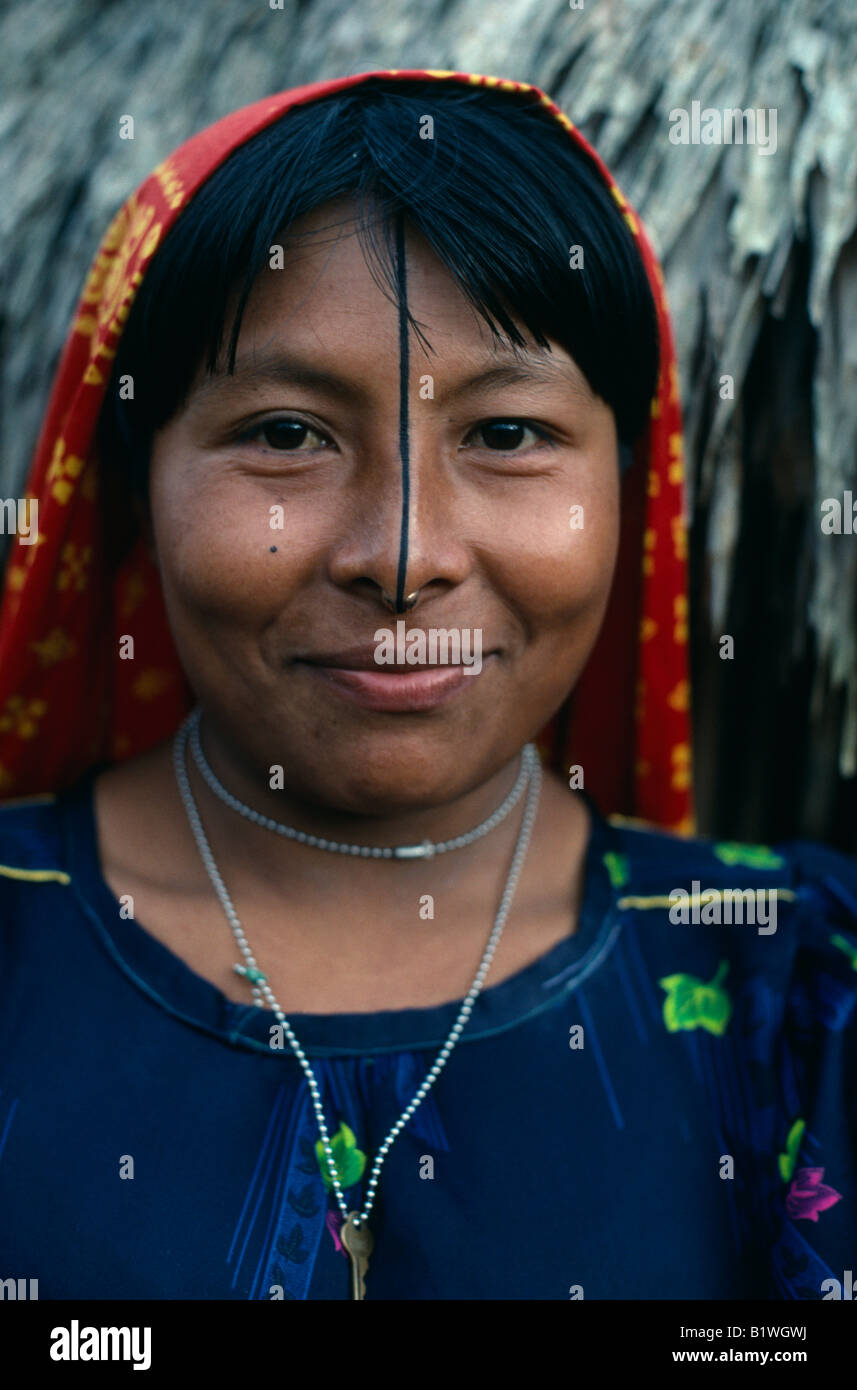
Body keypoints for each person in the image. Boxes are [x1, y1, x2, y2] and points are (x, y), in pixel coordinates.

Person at [0, 70, 854, 1301]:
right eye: (287, 433)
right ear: (134, 487)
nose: (402, 558)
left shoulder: (795, 995)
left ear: (629, 485)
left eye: (507, 435)